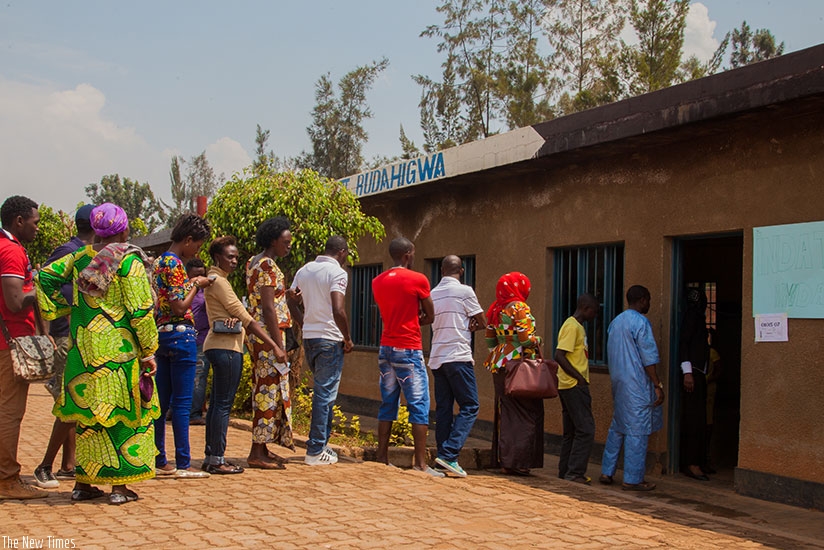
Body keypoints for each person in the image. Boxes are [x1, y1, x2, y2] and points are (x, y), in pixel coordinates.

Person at [37, 203, 160, 504]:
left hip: (84, 350)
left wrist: (66, 309)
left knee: (89, 418)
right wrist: (148, 351)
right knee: (123, 416)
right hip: (119, 353)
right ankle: (119, 488)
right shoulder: (127, 261)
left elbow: (44, 278)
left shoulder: (78, 259)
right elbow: (140, 311)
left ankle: (83, 484)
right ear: (122, 229)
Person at [202, 236, 280, 474]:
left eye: (236, 257)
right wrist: (275, 345)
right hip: (226, 348)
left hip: (220, 346)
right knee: (222, 405)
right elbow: (247, 319)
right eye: (230, 257)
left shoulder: (217, 279)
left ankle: (213, 456)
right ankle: (217, 459)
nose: (235, 261)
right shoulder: (219, 282)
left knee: (217, 404)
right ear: (218, 257)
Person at [32, 204, 96, 490]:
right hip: (67, 337)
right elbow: (43, 281)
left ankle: (70, 465)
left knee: (77, 403)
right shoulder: (70, 252)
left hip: (86, 339)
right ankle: (45, 465)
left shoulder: (97, 256)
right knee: (68, 403)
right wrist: (63, 312)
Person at [372, 237, 439, 476]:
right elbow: (430, 315)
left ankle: (382, 456)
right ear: (408, 255)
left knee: (388, 402)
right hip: (409, 348)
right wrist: (416, 318)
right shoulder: (418, 279)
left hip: (385, 347)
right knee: (418, 403)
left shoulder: (377, 281)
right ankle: (420, 464)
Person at [152, 213, 213, 479]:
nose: (195, 252)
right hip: (182, 335)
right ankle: (183, 463)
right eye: (196, 246)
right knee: (182, 403)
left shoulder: (158, 261)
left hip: (162, 335)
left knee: (160, 402)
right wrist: (195, 285)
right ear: (188, 240)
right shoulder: (175, 264)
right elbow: (180, 305)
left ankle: (159, 458)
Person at [290, 236, 354, 466]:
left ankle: (322, 446)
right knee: (324, 394)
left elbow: (291, 301)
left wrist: (304, 323)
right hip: (329, 338)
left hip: (310, 337)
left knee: (324, 393)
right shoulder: (338, 273)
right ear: (342, 252)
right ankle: (315, 449)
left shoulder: (304, 270)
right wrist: (347, 337)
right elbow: (338, 309)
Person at [0, 195, 48, 500]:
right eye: (35, 221)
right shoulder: (11, 252)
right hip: (10, 343)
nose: (37, 228)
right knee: (10, 412)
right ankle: (7, 478)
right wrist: (37, 287)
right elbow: (15, 302)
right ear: (19, 221)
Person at [600, 285, 664, 491]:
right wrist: (656, 383)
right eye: (649, 300)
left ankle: (607, 471)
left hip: (619, 383)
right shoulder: (641, 323)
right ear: (643, 300)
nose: (649, 304)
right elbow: (648, 357)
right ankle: (633, 478)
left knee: (618, 426)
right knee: (637, 430)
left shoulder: (615, 322)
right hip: (637, 384)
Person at [429, 255, 485, 478]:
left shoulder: (432, 294)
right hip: (458, 356)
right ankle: (450, 455)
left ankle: (442, 458)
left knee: (444, 408)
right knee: (470, 405)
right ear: (460, 271)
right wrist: (469, 326)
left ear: (442, 271)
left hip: (437, 357)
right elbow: (482, 321)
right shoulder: (465, 292)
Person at [484, 272, 545, 476]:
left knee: (506, 411)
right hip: (519, 364)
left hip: (499, 363)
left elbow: (490, 341)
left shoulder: (495, 308)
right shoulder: (519, 307)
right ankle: (519, 461)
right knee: (526, 412)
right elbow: (526, 339)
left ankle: (504, 459)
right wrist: (538, 341)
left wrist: (505, 343)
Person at [245, 216, 292, 469]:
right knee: (267, 391)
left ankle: (263, 447)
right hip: (267, 336)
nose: (289, 246)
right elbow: (268, 307)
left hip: (260, 334)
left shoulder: (253, 262)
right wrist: (278, 344)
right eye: (286, 242)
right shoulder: (266, 266)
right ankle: (256, 452)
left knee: (267, 389)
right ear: (274, 240)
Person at [554, 293, 599, 484]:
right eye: (594, 311)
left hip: (569, 385)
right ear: (586, 308)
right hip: (572, 386)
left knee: (572, 431)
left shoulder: (577, 327)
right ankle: (575, 472)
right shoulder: (572, 326)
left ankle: (565, 471)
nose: (595, 315)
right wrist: (579, 378)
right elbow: (559, 355)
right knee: (586, 429)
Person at [679, 288, 711, 481]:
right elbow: (684, 344)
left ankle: (700, 460)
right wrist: (687, 372)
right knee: (693, 419)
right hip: (692, 375)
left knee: (700, 419)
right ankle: (691, 463)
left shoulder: (698, 317)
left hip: (700, 374)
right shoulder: (691, 317)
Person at [187, 258, 210, 426]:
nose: (199, 279)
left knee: (198, 376)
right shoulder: (184, 291)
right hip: (187, 337)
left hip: (202, 339)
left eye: (202, 275)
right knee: (193, 377)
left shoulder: (207, 292)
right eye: (196, 275)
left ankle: (194, 412)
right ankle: (187, 412)